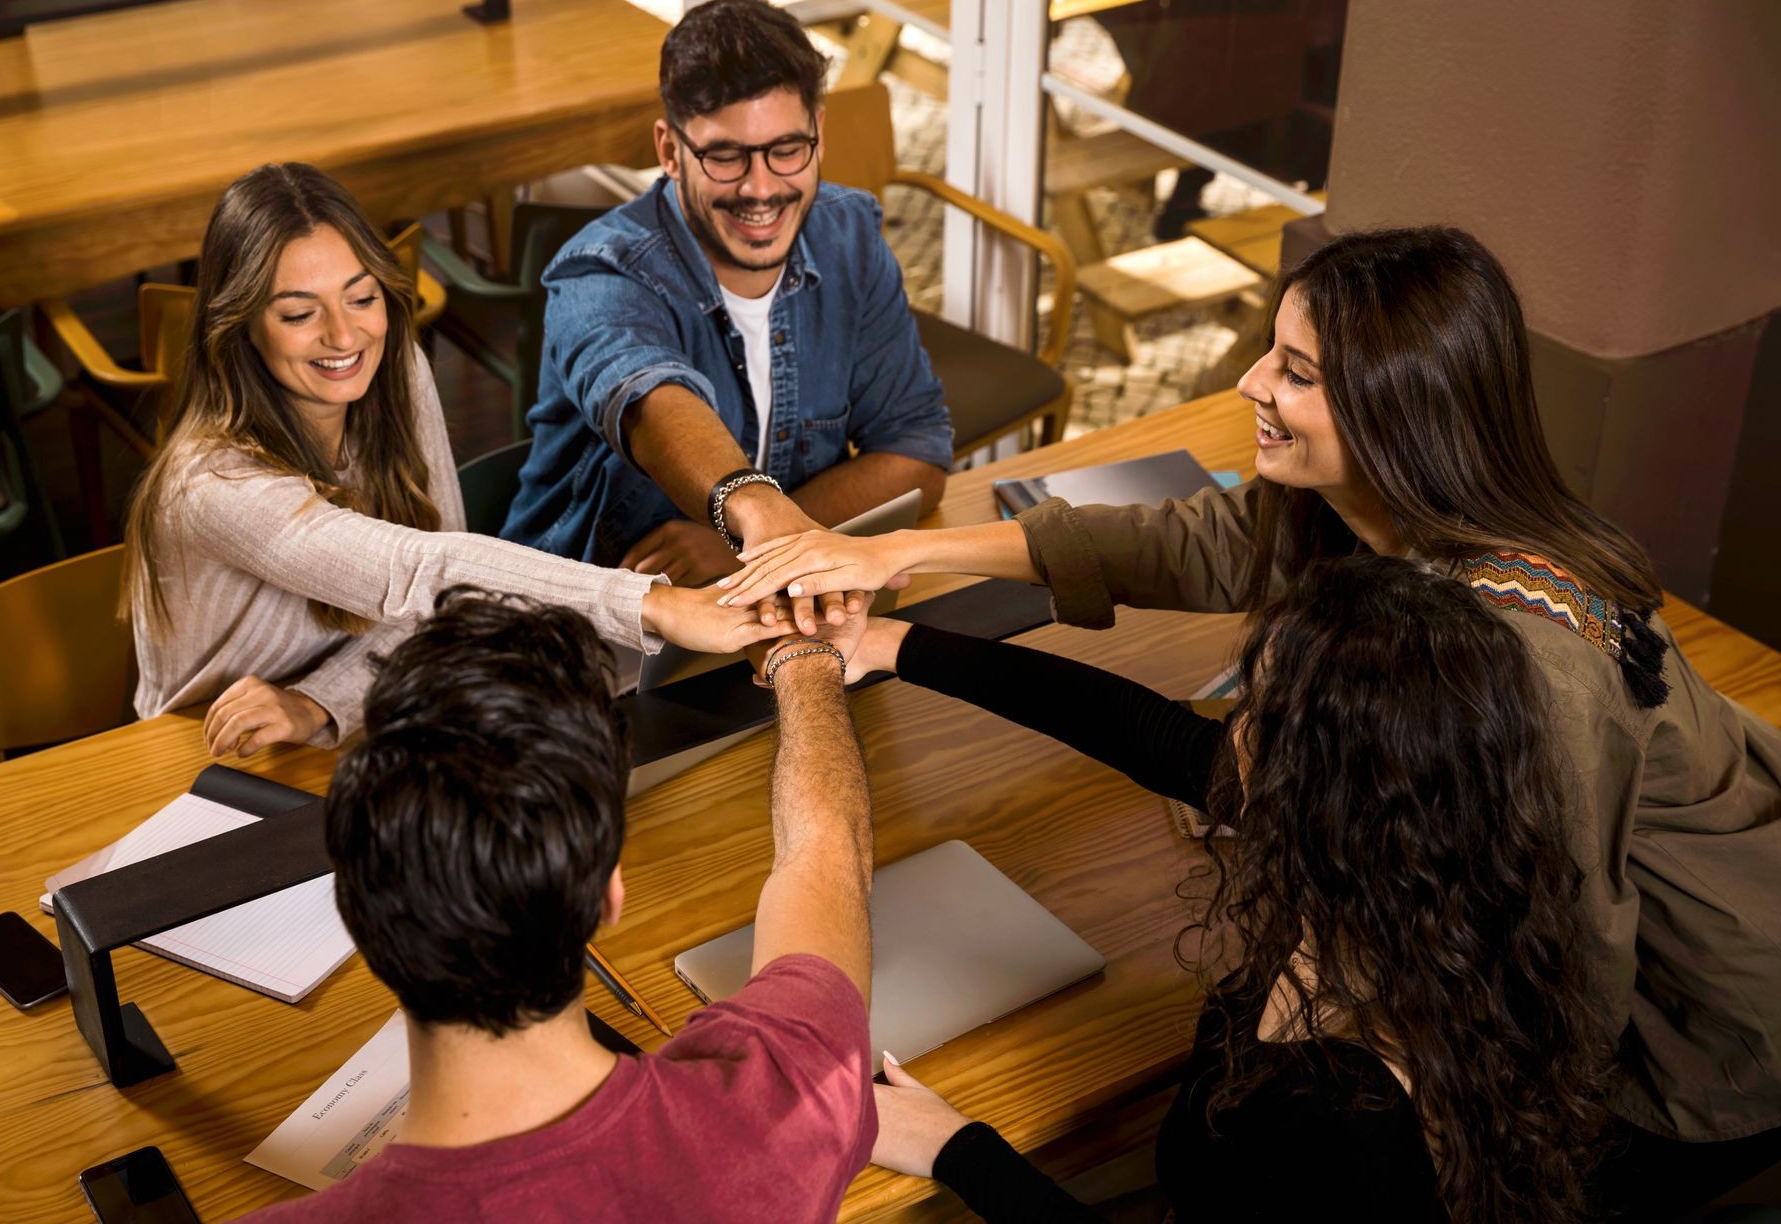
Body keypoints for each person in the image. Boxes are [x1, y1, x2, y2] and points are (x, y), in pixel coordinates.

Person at [720, 225, 1781, 1208]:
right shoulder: (1391, 539)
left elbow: (1570, 979)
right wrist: (894, 578)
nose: (1249, 380)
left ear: (1394, 409)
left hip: (1701, 1040)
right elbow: (1203, 557)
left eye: (1297, 371)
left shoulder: (1517, 681)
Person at [833, 556, 1610, 1221]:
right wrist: (890, 643)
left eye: (1253, 711)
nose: (1227, 726)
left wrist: (955, 1149)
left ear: (1314, 780)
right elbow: (1135, 726)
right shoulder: (1433, 879)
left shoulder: (1344, 1117)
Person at [241, 586, 876, 1223]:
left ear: (357, 915)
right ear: (607, 894)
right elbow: (827, 855)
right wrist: (804, 659)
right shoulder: (795, 1103)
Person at [122, 162, 792, 758]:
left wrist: (319, 703)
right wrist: (656, 607)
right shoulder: (207, 484)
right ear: (239, 326)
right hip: (208, 756)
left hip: (358, 721)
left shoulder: (391, 369)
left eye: (361, 297)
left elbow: (433, 610)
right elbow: (420, 569)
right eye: (299, 313)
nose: (344, 335)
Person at [499, 0, 952, 614]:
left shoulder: (848, 233)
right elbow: (653, 403)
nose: (761, 188)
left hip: (758, 598)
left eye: (786, 149)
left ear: (818, 133)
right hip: (578, 618)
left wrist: (745, 547)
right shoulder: (597, 272)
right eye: (725, 156)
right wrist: (754, 521)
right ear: (669, 151)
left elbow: (917, 458)